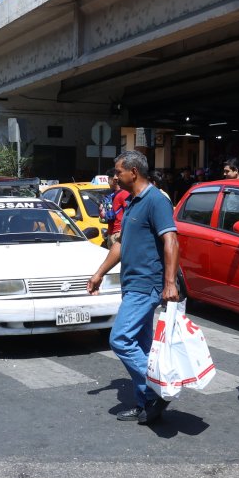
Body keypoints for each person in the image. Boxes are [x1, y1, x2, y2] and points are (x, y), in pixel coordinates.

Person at [88, 150, 180, 425]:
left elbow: (171, 241)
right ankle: (146, 404)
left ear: (133, 172)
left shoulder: (155, 200)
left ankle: (158, 388)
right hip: (131, 284)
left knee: (120, 339)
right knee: (142, 344)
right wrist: (99, 273)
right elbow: (120, 244)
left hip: (146, 284)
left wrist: (170, 283)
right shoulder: (130, 202)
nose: (115, 177)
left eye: (118, 172)